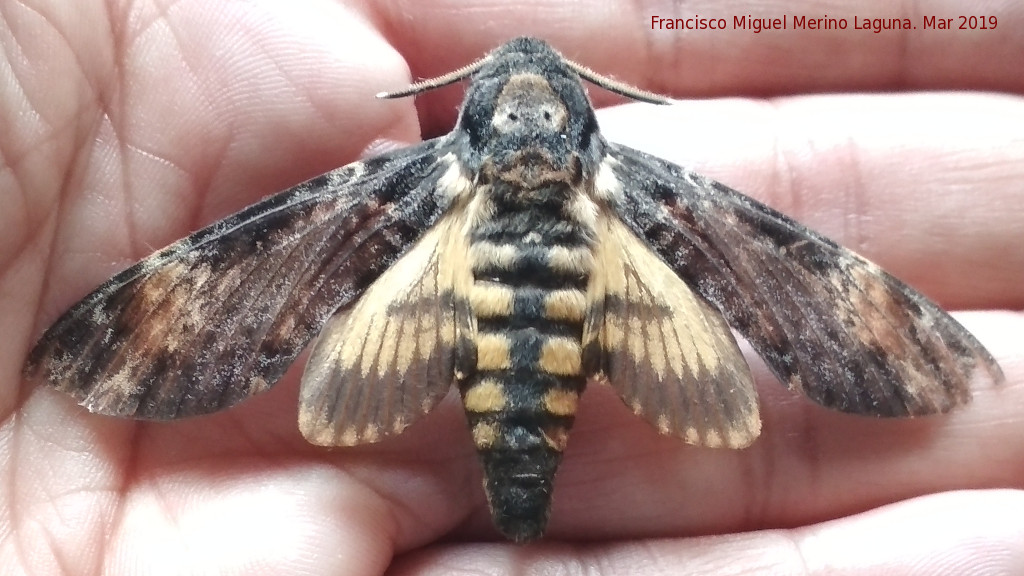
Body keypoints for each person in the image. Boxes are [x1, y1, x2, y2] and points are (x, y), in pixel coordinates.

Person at [2, 2, 1021, 574]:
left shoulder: (386, 189)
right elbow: (811, 280)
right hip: (614, 279)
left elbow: (230, 272)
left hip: (437, 279)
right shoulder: (654, 190)